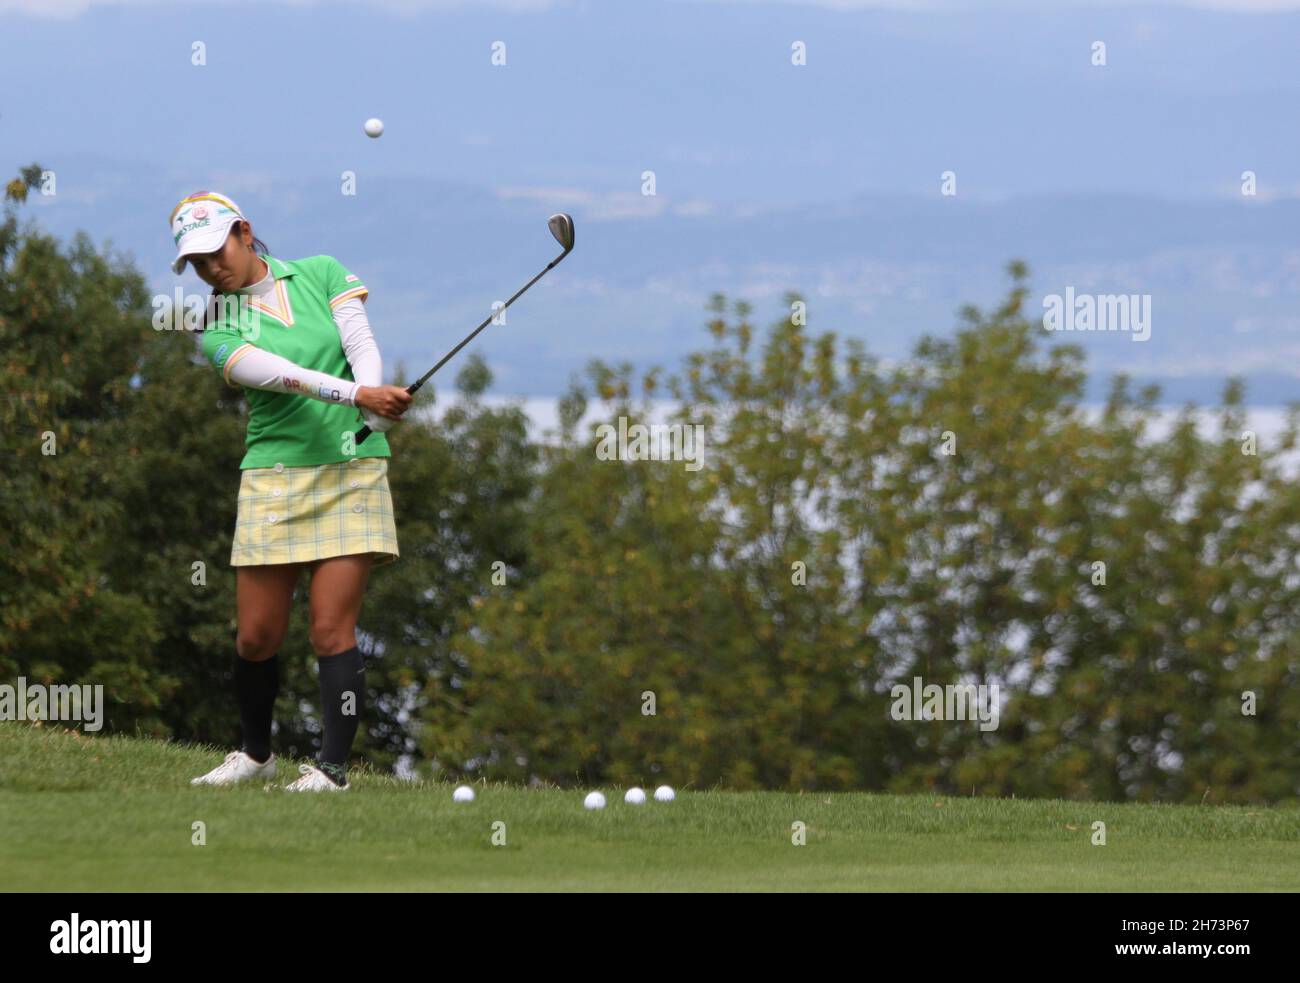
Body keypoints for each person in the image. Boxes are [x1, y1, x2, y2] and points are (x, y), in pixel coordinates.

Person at [171, 190, 412, 792]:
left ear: (244, 233)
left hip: (353, 470)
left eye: (214, 251)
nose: (209, 269)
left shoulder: (322, 272)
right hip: (274, 477)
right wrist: (359, 398)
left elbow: (359, 342)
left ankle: (332, 770)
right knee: (256, 636)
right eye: (196, 263)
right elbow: (284, 377)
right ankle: (256, 755)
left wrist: (374, 404)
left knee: (332, 629)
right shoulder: (216, 328)